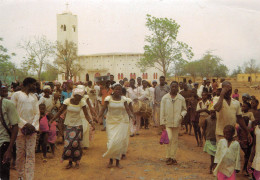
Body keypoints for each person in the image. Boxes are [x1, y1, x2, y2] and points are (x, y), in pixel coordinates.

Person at [50, 88, 94, 169]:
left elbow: (86, 114)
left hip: (78, 125)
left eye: (81, 97)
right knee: (68, 144)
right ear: (74, 96)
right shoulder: (67, 101)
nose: (79, 98)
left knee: (76, 144)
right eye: (78, 97)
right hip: (68, 125)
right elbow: (60, 111)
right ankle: (70, 161)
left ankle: (77, 161)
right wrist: (52, 119)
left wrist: (91, 122)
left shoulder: (82, 102)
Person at [99, 84, 134, 168]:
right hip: (110, 122)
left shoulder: (124, 99)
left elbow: (128, 109)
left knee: (118, 141)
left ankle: (117, 162)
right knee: (111, 142)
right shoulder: (108, 99)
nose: (117, 91)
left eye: (119, 90)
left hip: (121, 122)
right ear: (113, 90)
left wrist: (132, 116)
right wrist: (98, 116)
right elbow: (103, 109)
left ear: (121, 91)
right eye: (116, 89)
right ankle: (110, 160)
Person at [11, 77, 40, 180]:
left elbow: (37, 113)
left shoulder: (34, 97)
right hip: (19, 130)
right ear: (28, 84)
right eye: (34, 84)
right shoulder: (16, 95)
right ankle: (20, 175)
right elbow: (13, 112)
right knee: (20, 153)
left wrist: (33, 126)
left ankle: (29, 177)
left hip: (32, 130)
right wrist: (25, 124)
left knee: (31, 154)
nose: (35, 87)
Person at [160, 81, 187, 165]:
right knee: (169, 139)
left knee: (175, 140)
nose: (174, 88)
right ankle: (168, 156)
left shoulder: (181, 98)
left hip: (176, 122)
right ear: (170, 87)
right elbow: (162, 111)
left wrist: (181, 116)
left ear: (178, 88)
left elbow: (184, 109)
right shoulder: (165, 98)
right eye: (173, 87)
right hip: (167, 122)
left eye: (176, 87)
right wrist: (162, 122)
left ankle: (173, 157)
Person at [0, 87, 19, 180]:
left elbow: (15, 126)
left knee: (3, 176)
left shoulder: (8, 104)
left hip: (3, 144)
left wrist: (9, 149)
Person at [238, 102, 255, 176]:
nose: (243, 107)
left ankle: (245, 169)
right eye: (243, 106)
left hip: (248, 134)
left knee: (247, 154)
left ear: (248, 107)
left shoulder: (250, 114)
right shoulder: (240, 113)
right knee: (246, 154)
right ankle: (244, 169)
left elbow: (252, 123)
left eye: (245, 106)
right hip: (241, 136)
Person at [202, 107, 217, 174]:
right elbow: (204, 130)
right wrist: (203, 138)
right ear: (210, 113)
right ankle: (212, 166)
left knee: (216, 154)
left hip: (216, 139)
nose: (213, 114)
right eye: (211, 112)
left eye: (214, 112)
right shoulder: (206, 120)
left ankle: (213, 167)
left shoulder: (218, 120)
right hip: (210, 139)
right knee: (212, 155)